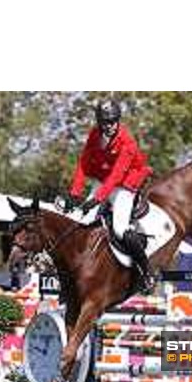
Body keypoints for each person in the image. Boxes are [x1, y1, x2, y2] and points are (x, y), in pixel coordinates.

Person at [69, 99, 155, 293]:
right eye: (104, 122)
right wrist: (75, 192)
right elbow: (83, 162)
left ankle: (146, 270)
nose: (108, 126)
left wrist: (96, 199)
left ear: (118, 120)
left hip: (127, 182)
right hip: (105, 177)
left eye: (112, 122)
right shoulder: (94, 134)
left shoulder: (128, 143)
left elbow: (117, 175)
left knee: (119, 228)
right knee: (81, 219)